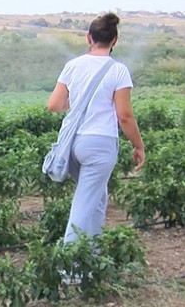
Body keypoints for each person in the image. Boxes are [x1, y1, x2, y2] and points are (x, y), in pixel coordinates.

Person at [46, 12, 145, 245]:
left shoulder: (73, 66)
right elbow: (125, 116)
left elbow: (54, 105)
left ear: (88, 38)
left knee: (98, 199)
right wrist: (138, 145)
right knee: (84, 205)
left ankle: (91, 256)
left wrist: (79, 101)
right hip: (100, 145)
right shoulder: (118, 70)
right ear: (114, 41)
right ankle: (70, 269)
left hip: (75, 143)